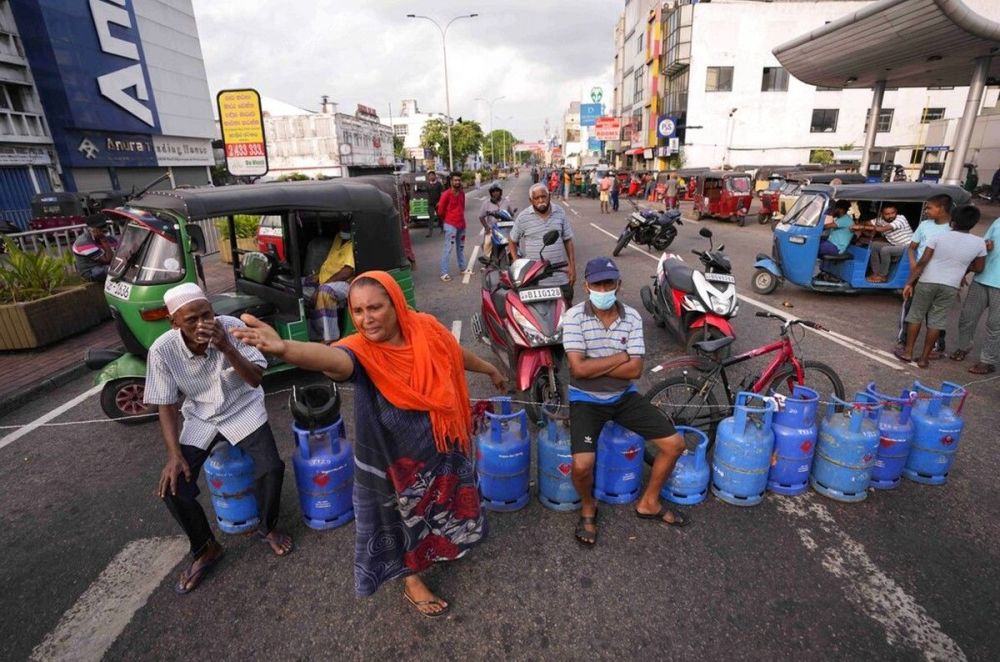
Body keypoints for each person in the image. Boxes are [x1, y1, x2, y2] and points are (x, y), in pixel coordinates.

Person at [233, 271, 504, 617]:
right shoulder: (359, 352)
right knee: (404, 520)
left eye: (375, 308)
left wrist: (488, 369)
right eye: (358, 311)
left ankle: (444, 546)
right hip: (397, 461)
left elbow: (454, 353)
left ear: (396, 305)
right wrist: (287, 349)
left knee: (448, 504)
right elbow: (333, 359)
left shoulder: (426, 328)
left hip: (442, 445)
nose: (366, 319)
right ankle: (412, 579)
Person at [145, 283, 293, 595]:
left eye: (207, 314)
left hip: (243, 406)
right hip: (201, 415)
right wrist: (174, 455)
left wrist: (227, 346)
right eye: (191, 320)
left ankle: (267, 527)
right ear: (174, 323)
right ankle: (205, 548)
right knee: (173, 488)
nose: (202, 324)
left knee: (271, 468)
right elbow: (166, 404)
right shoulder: (162, 350)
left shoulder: (232, 328)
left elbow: (254, 380)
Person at [563, 257, 687, 546]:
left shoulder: (631, 316)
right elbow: (577, 370)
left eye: (609, 283)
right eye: (597, 284)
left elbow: (635, 370)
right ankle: (588, 505)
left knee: (675, 445)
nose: (603, 289)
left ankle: (649, 502)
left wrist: (598, 364)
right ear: (586, 286)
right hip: (586, 399)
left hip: (623, 396)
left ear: (619, 284)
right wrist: (620, 356)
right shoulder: (573, 317)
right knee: (582, 465)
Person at [897, 205, 986, 368]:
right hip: (951, 286)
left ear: (954, 220)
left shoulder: (939, 237)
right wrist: (962, 266)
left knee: (915, 316)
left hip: (927, 280)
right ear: (973, 223)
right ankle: (924, 358)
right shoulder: (980, 243)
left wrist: (909, 282)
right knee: (936, 321)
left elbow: (923, 261)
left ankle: (908, 352)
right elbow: (979, 268)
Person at [897, 194, 954, 353]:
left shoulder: (953, 228)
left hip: (941, 277)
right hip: (919, 274)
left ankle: (937, 346)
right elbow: (911, 248)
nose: (926, 210)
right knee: (909, 309)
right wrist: (913, 264)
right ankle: (903, 341)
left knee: (935, 315)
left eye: (929, 207)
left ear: (941, 208)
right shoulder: (924, 225)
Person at [508, 183, 577, 301]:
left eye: (543, 196)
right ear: (531, 200)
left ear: (549, 196)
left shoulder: (560, 212)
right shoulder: (523, 217)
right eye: (536, 198)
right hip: (534, 279)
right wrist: (517, 264)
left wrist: (572, 266)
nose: (541, 200)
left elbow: (568, 240)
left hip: (560, 276)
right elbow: (512, 240)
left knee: (565, 312)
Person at [953, 215, 999, 374]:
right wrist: (986, 244)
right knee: (967, 317)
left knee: (995, 325)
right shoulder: (998, 221)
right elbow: (984, 244)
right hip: (982, 278)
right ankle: (963, 347)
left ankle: (988, 361)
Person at [303, 219, 354, 341]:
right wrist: (318, 276)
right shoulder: (338, 237)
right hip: (325, 279)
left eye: (346, 223)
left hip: (346, 282)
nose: (342, 225)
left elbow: (348, 271)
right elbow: (330, 261)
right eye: (341, 223)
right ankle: (310, 330)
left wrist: (322, 285)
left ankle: (328, 338)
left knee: (325, 292)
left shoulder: (353, 243)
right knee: (294, 285)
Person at [855, 205, 912, 282]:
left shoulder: (900, 218)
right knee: (873, 245)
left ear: (896, 212)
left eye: (893, 213)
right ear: (881, 214)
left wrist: (862, 228)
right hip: (895, 245)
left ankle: (882, 276)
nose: (891, 216)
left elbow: (882, 229)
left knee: (885, 250)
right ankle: (876, 273)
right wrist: (857, 225)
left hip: (908, 247)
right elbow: (867, 222)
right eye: (887, 214)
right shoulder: (880, 220)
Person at [437, 171, 467, 282]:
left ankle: (463, 268)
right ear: (451, 182)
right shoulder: (446, 194)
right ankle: (444, 273)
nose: (457, 182)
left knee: (461, 248)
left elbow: (462, 207)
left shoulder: (462, 193)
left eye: (459, 180)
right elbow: (440, 211)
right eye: (455, 180)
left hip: (461, 224)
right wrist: (448, 219)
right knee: (448, 249)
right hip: (450, 225)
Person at [72, 213, 119, 282]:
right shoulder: (83, 242)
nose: (103, 229)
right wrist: (104, 241)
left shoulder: (109, 238)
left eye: (104, 226)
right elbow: (107, 260)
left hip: (105, 267)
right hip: (91, 271)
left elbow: (119, 252)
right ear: (90, 229)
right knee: (114, 271)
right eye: (99, 227)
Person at [479, 182, 513, 263]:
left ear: (500, 192)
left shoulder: (506, 201)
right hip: (492, 229)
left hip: (505, 228)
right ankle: (486, 260)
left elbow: (511, 213)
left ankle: (514, 257)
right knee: (487, 243)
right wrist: (486, 227)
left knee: (514, 241)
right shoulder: (486, 203)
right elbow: (481, 217)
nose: (495, 193)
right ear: (491, 193)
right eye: (493, 191)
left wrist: (511, 215)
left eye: (497, 191)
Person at [424, 170, 443, 238]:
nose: (431, 177)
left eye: (432, 175)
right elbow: (427, 192)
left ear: (435, 176)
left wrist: (440, 202)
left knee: (439, 216)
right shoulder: (427, 184)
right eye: (430, 176)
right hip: (430, 203)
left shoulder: (439, 184)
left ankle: (442, 228)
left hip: (438, 203)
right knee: (431, 217)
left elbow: (441, 194)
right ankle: (430, 232)